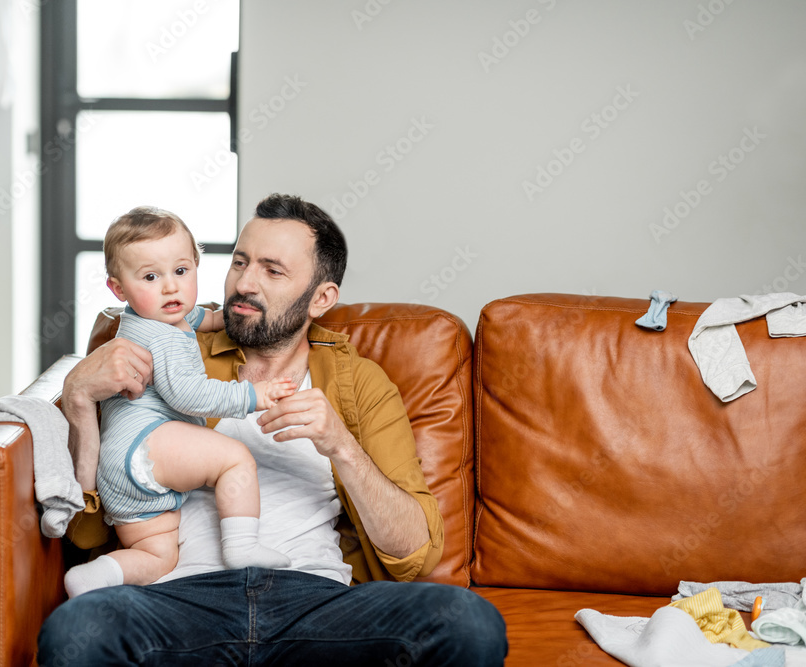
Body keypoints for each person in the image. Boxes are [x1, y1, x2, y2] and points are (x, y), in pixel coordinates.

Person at [39, 194, 507, 665]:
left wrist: (341, 445)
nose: (244, 283)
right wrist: (79, 401)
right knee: (77, 628)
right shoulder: (166, 346)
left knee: (467, 621)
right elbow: (85, 534)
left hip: (314, 603)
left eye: (272, 270)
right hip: (179, 599)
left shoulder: (360, 384)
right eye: (239, 262)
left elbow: (415, 554)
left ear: (321, 298)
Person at [63, 207, 297, 598]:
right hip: (147, 442)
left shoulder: (150, 318)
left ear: (196, 267)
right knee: (234, 459)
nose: (171, 288)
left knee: (157, 556)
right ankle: (241, 545)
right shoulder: (163, 338)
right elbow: (188, 395)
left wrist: (223, 318)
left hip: (122, 476)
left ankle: (94, 577)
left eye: (182, 271)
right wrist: (253, 395)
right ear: (118, 289)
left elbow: (197, 319)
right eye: (151, 277)